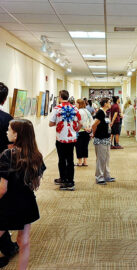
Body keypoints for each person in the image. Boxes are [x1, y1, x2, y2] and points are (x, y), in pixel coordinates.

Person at [0, 119, 46, 269]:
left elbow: (3, 188)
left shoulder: (8, 154)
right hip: (27, 203)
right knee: (24, 241)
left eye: (9, 129)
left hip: (7, 204)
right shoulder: (36, 155)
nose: (7, 132)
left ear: (17, 134)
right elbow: (35, 182)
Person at [0, 82, 19, 268]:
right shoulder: (7, 119)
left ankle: (8, 247)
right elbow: (12, 147)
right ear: (5, 100)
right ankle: (8, 247)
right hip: (2, 169)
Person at [49, 90, 82, 191]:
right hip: (72, 138)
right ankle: (70, 180)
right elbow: (80, 123)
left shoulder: (57, 108)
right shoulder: (74, 108)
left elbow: (51, 123)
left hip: (61, 138)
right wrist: (75, 129)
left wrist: (59, 122)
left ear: (60, 97)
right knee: (70, 159)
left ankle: (64, 179)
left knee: (62, 160)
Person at [92, 98, 115, 185]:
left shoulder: (105, 113)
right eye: (109, 102)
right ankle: (99, 177)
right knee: (101, 159)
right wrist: (93, 134)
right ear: (105, 103)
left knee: (106, 158)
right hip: (100, 139)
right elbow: (94, 125)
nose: (110, 104)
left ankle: (106, 175)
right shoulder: (100, 112)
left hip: (106, 138)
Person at [75, 99, 93, 167]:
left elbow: (79, 122)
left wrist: (84, 127)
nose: (75, 105)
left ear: (79, 104)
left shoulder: (78, 111)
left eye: (76, 103)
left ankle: (79, 162)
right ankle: (85, 161)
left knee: (78, 146)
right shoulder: (87, 111)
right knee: (85, 146)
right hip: (87, 132)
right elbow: (91, 120)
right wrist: (89, 128)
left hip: (80, 131)